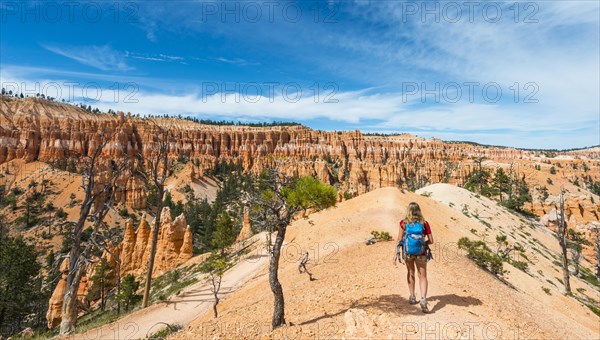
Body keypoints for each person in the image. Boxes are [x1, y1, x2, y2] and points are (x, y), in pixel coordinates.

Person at [393, 202, 434, 313]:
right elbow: (431, 240)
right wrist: (423, 244)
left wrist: (395, 255)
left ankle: (412, 296)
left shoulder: (403, 223)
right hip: (421, 253)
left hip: (408, 253)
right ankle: (423, 299)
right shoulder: (424, 224)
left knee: (410, 272)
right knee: (423, 276)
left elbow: (399, 239)